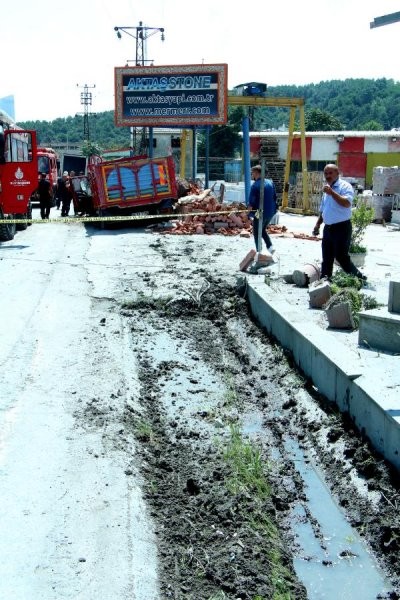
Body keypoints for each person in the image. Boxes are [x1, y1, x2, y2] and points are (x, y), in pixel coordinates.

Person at [313, 163, 367, 282]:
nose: (328, 175)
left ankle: (358, 278)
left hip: (342, 227)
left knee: (341, 256)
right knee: (327, 256)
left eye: (330, 173)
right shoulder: (327, 188)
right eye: (326, 173)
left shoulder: (344, 186)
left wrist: (332, 193)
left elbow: (347, 203)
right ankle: (325, 280)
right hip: (328, 228)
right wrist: (317, 225)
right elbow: (324, 209)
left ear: (337, 173)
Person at [248, 164, 278, 254]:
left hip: (260, 212)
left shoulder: (255, 186)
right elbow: (275, 197)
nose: (252, 175)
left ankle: (259, 251)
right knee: (262, 229)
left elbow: (251, 202)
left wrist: (248, 214)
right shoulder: (270, 182)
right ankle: (270, 247)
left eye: (253, 173)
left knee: (256, 231)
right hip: (271, 211)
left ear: (257, 173)